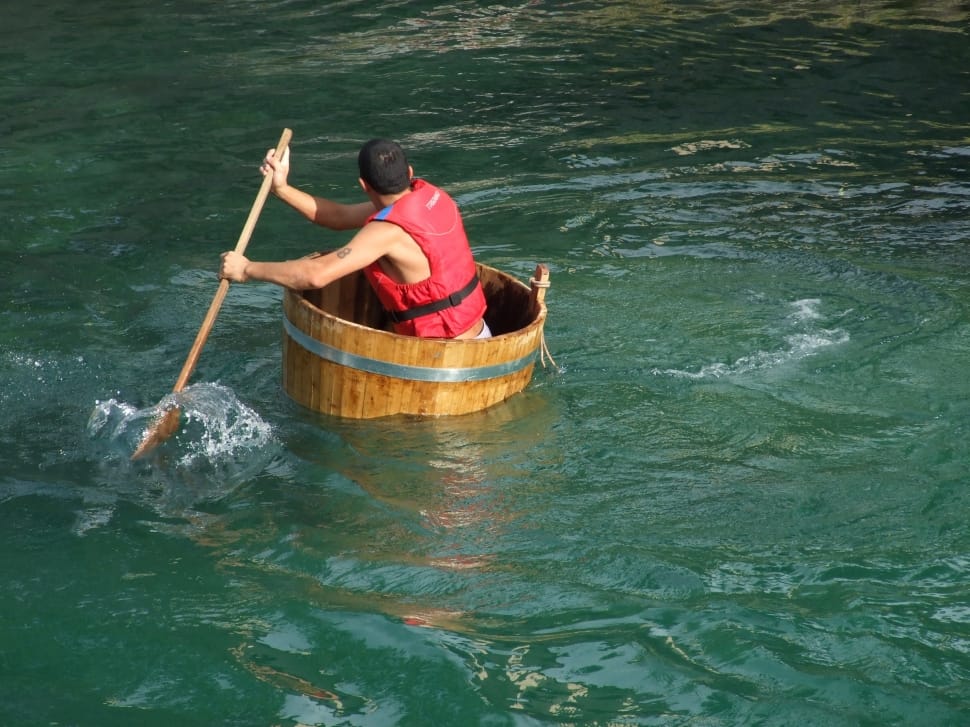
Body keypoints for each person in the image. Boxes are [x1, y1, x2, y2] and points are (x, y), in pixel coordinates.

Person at [220, 138, 491, 339]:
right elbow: (338, 216)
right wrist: (281, 189)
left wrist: (246, 269)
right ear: (409, 173)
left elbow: (316, 275)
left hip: (442, 358)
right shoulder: (431, 196)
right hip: (481, 337)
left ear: (363, 185)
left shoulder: (387, 232)